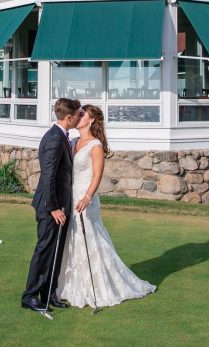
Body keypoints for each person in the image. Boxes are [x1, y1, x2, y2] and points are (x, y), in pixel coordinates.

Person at [57, 104, 155, 308]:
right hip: (71, 196)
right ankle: (72, 284)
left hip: (86, 199)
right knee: (72, 238)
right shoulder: (73, 141)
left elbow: (97, 175)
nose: (78, 116)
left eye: (82, 114)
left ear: (91, 120)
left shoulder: (95, 146)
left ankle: (99, 286)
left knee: (90, 238)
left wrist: (87, 197)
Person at [22, 98, 81, 315]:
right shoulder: (54, 139)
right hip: (50, 207)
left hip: (59, 205)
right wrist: (53, 207)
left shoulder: (61, 136)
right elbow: (47, 176)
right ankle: (30, 296)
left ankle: (49, 294)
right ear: (69, 117)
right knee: (45, 250)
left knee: (55, 250)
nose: (79, 118)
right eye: (77, 115)